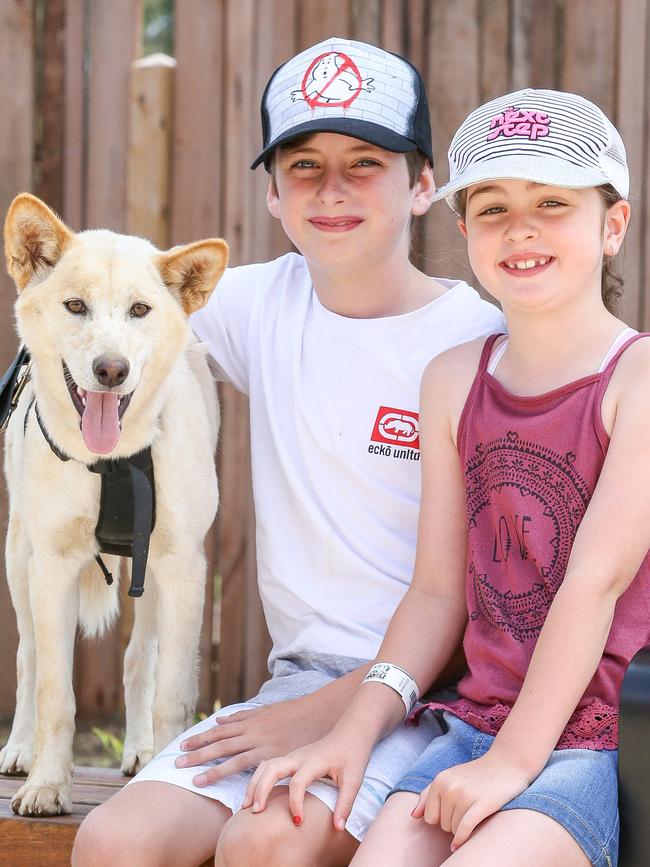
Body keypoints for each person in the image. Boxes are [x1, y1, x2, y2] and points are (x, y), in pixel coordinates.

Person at [71, 37, 503, 867]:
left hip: (437, 694)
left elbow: (491, 603)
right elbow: (109, 312)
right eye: (302, 165)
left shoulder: (478, 342)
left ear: (421, 185)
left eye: (363, 162)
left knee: (267, 842)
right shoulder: (256, 303)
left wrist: (330, 710)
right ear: (272, 194)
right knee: (113, 842)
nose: (331, 190)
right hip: (298, 679)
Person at [243, 88, 650, 867]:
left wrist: (509, 765)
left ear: (612, 224)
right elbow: (436, 591)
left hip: (594, 743)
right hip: (470, 726)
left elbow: (592, 585)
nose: (520, 228)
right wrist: (349, 734)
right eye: (492, 208)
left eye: (553, 202)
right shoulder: (454, 379)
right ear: (462, 229)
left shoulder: (635, 380)